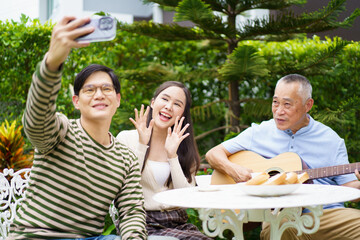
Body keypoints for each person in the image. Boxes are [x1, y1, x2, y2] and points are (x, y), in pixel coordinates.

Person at [7, 16, 147, 240]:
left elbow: (132, 212)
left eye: (106, 89)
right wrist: (51, 64)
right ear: (76, 101)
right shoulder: (61, 131)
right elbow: (36, 121)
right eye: (89, 90)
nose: (99, 94)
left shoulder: (126, 158)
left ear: (118, 99)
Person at [205, 74, 360, 240]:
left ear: (308, 105)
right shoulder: (258, 132)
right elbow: (213, 154)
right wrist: (234, 170)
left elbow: (350, 187)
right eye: (275, 102)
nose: (279, 111)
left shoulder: (331, 140)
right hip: (278, 216)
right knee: (280, 227)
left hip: (327, 215)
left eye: (287, 104)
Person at [116, 81, 212, 240]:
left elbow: (186, 197)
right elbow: (124, 184)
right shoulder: (126, 138)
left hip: (178, 222)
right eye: (165, 99)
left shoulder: (184, 149)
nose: (169, 106)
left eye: (177, 104)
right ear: (153, 103)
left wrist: (172, 155)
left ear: (182, 113)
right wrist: (141, 145)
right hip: (139, 221)